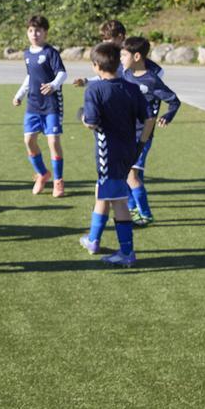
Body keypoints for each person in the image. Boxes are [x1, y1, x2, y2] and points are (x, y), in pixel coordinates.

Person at [77, 42, 152, 266]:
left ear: (96, 66)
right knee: (104, 193)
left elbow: (91, 122)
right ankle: (93, 240)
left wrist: (81, 116)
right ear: (118, 63)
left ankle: (127, 252)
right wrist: (141, 143)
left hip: (107, 154)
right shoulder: (131, 88)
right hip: (128, 151)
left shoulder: (95, 89)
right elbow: (149, 118)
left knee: (118, 201)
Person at [119, 36, 181, 226]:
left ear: (137, 56)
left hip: (142, 135)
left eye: (124, 55)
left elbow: (174, 100)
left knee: (131, 175)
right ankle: (133, 209)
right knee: (126, 174)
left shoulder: (152, 80)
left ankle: (145, 214)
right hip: (125, 132)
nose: (121, 59)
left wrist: (167, 116)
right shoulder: (126, 74)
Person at [12, 15, 67, 198]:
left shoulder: (51, 53)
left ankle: (58, 181)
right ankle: (42, 174)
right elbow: (30, 77)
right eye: (30, 30)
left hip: (51, 105)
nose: (34, 34)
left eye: (38, 31)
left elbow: (62, 74)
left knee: (53, 142)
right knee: (28, 140)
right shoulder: (27, 54)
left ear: (45, 33)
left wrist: (53, 85)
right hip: (33, 105)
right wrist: (19, 94)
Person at [72, 19, 163, 88]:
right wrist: (86, 81)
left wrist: (145, 88)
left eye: (107, 39)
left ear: (120, 37)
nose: (104, 42)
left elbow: (158, 71)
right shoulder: (111, 55)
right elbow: (106, 76)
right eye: (103, 39)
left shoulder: (131, 51)